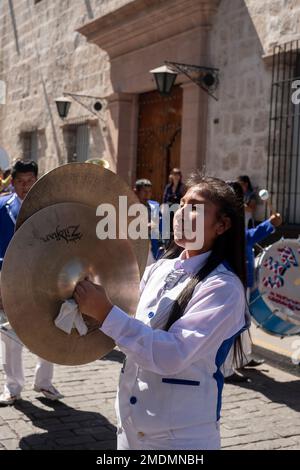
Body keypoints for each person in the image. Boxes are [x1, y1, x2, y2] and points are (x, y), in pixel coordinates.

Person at [74, 174, 249, 450]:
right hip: (130, 429)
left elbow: (172, 354)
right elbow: (129, 319)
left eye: (194, 208)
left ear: (222, 225)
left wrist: (106, 312)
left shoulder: (224, 288)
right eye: (180, 204)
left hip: (180, 439)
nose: (180, 214)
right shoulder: (160, 269)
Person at [0, 160, 63, 405]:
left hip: (45, 281)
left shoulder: (51, 209)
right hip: (9, 281)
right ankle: (12, 388)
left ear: (37, 181)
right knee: (9, 337)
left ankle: (44, 383)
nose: (26, 186)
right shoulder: (1, 206)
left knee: (48, 333)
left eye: (30, 181)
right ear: (12, 182)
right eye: (20, 182)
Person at [223, 182, 282, 382]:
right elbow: (246, 238)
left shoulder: (232, 216)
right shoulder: (229, 218)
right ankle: (226, 368)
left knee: (242, 323)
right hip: (233, 278)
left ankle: (242, 357)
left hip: (239, 277)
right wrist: (269, 225)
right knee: (231, 325)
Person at [134, 179, 162, 265]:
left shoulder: (154, 206)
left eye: (149, 191)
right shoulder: (129, 207)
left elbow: (161, 227)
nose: (147, 194)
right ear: (136, 191)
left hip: (153, 247)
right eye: (144, 191)